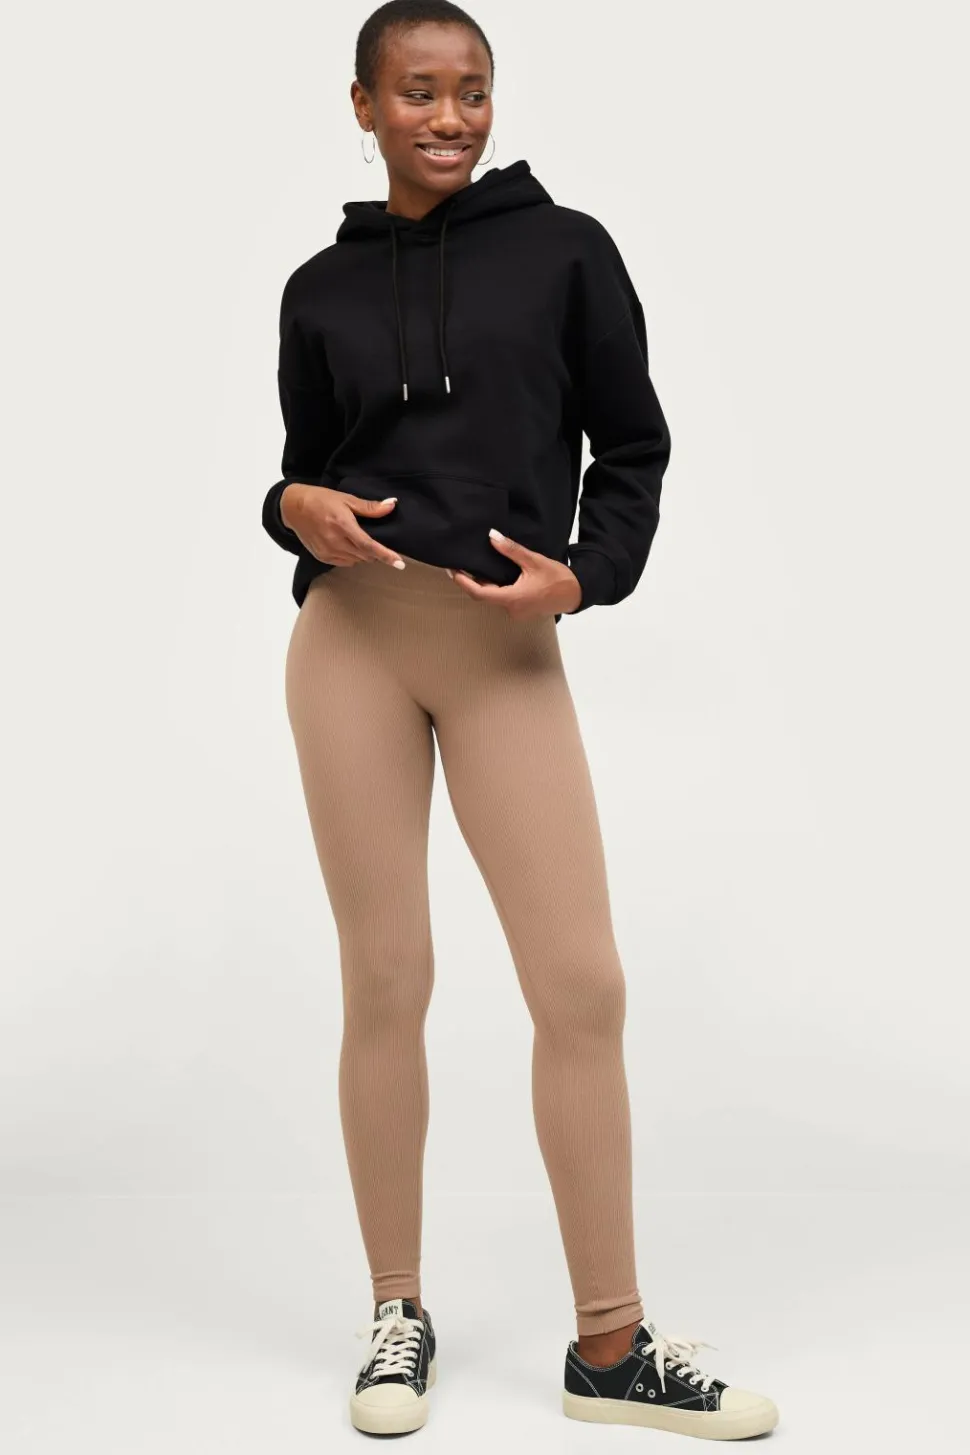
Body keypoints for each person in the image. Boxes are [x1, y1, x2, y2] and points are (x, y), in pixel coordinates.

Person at [262, 0, 780, 1441]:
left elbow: (634, 444)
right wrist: (286, 503)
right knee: (386, 978)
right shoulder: (318, 288)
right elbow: (305, 468)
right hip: (349, 645)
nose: (449, 117)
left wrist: (588, 573)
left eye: (472, 90)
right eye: (418, 91)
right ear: (362, 106)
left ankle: (609, 1343)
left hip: (500, 649)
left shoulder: (566, 252)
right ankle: (396, 1309)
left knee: (580, 986)